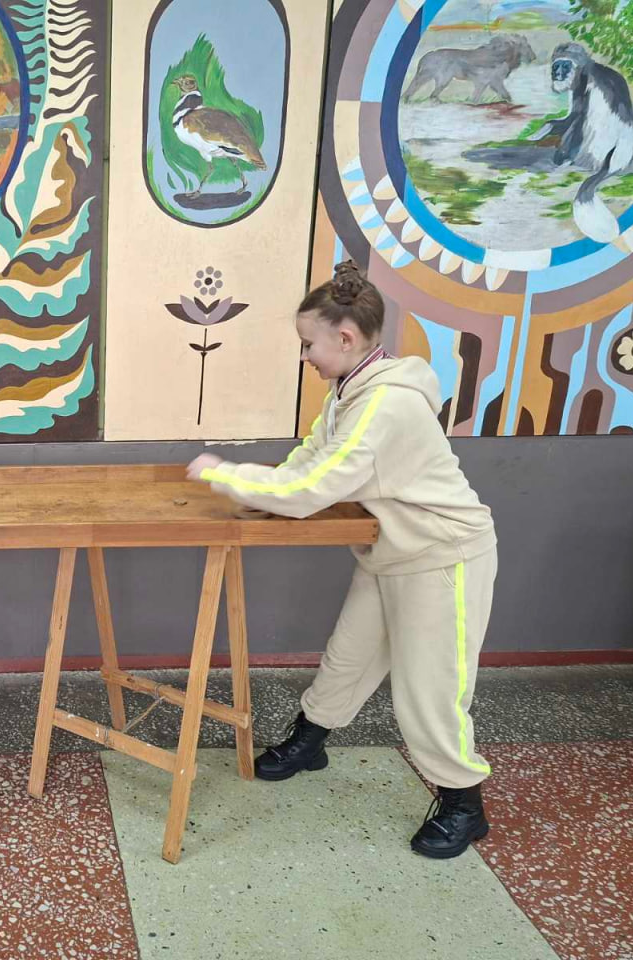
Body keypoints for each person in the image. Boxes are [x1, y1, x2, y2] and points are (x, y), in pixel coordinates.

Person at [187, 261, 498, 859]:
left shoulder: (384, 407)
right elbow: (310, 460)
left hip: (442, 557)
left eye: (309, 344)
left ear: (346, 338)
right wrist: (259, 493)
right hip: (392, 550)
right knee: (347, 657)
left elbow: (312, 489)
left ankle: (464, 803)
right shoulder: (351, 390)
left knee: (430, 690)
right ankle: (311, 741)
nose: (304, 355)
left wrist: (226, 474)